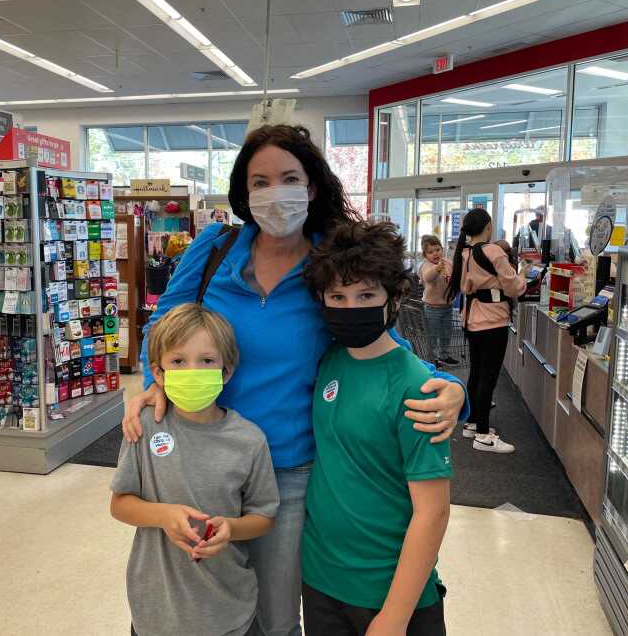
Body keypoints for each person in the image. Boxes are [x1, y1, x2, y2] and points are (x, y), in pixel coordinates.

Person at [121, 124, 468, 636]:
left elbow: (373, 335)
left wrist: (445, 382)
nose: (272, 192)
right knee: (200, 603)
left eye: (287, 178)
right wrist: (154, 381)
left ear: (311, 187)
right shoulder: (215, 248)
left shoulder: (328, 260)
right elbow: (163, 325)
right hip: (202, 457)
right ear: (244, 190)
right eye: (259, 181)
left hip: (288, 470)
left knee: (276, 618)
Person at [301, 221, 450, 636]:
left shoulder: (416, 387)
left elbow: (433, 511)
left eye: (366, 295)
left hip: (391, 592)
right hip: (321, 580)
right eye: (338, 297)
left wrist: (395, 617)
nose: (350, 308)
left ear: (395, 297)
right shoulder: (328, 359)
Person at [110, 303, 280, 636]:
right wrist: (163, 515)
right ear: (158, 373)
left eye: (206, 361)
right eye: (178, 361)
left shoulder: (249, 440)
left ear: (226, 371)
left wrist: (231, 528)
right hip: (156, 611)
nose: (191, 371)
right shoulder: (144, 426)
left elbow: (264, 516)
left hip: (229, 611)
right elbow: (119, 503)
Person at [447, 209, 529, 454]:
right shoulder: (493, 251)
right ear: (488, 226)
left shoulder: (462, 253)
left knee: (476, 373)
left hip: (471, 319)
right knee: (488, 377)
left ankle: (472, 423)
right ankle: (483, 434)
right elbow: (513, 287)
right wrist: (523, 275)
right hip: (493, 320)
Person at [418, 235, 457, 367]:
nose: (435, 254)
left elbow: (455, 274)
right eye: (430, 252)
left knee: (446, 332)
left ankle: (444, 355)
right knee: (432, 334)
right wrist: (437, 268)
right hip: (432, 307)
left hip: (447, 306)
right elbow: (428, 277)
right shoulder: (426, 265)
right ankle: (431, 358)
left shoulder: (447, 263)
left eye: (437, 250)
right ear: (425, 255)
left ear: (442, 249)